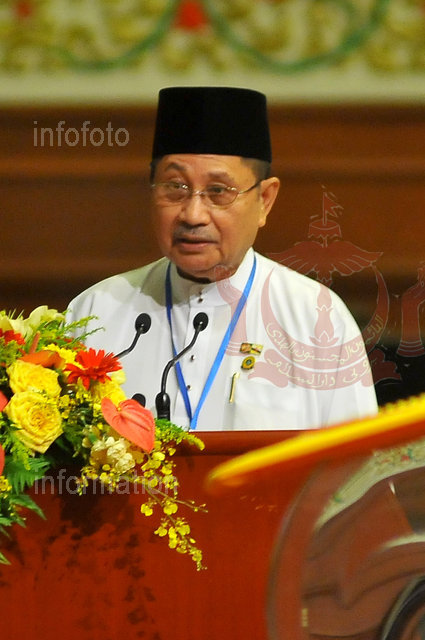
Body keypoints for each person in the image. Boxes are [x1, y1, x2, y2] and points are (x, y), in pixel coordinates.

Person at [68, 86, 378, 431]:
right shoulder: (97, 311)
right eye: (175, 187)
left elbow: (360, 460)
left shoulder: (317, 319)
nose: (193, 215)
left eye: (218, 192)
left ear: (265, 200)